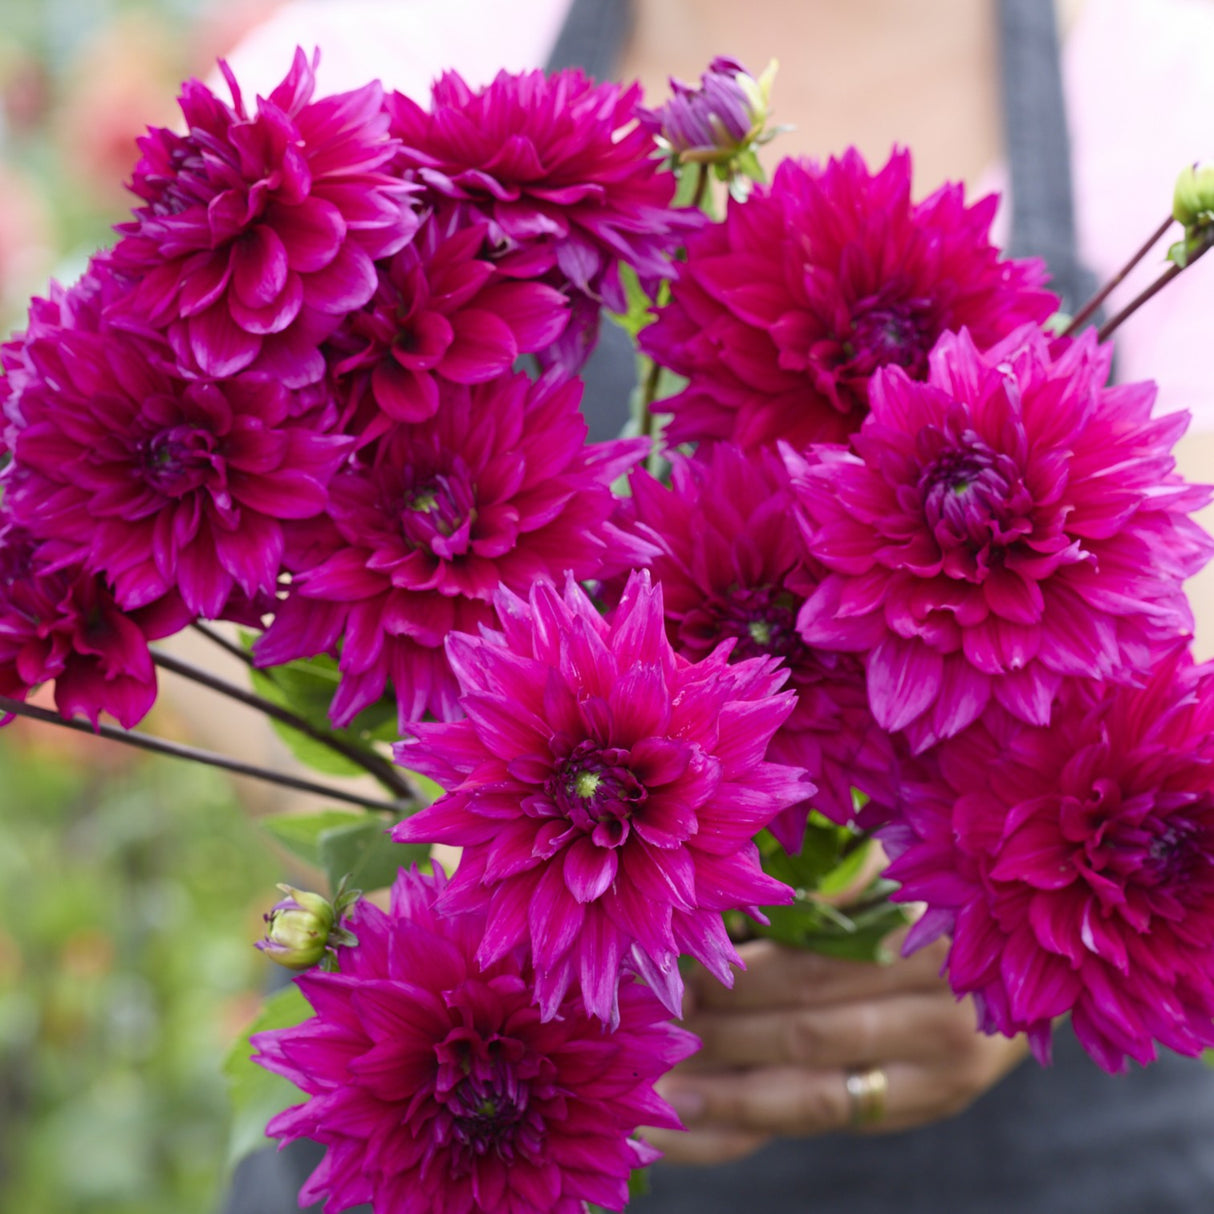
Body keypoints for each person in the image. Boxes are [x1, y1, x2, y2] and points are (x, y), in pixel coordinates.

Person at [218, 1, 1214, 1210]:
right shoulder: (404, 43)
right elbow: (190, 530)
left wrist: (1025, 943)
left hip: (1045, 1140)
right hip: (486, 1030)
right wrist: (426, 882)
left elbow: (1178, 578)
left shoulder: (1172, 64)